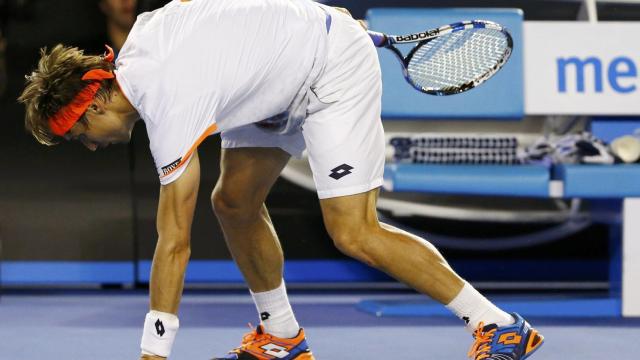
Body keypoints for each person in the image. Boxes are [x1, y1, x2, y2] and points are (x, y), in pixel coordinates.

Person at [18, 0, 544, 359]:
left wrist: (153, 352)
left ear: (95, 103)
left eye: (79, 135)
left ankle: (497, 325)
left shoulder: (169, 102)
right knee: (234, 204)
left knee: (353, 232)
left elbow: (174, 243)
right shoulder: (147, 38)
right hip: (275, 81)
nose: (88, 145)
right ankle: (282, 337)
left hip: (330, 70)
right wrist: (303, 16)